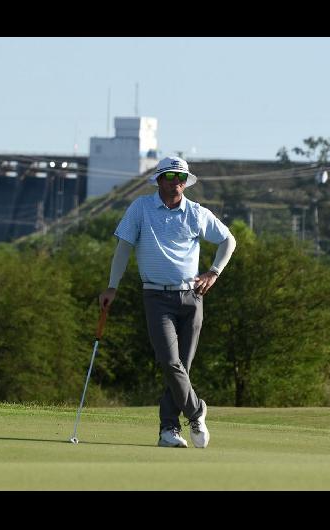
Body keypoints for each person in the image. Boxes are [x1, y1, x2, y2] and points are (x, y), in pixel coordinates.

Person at [99, 156, 236, 448]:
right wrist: (112, 286)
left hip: (192, 296)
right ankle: (197, 413)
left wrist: (214, 272)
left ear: (185, 182)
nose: (176, 182)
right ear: (159, 180)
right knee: (169, 362)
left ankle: (168, 430)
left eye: (181, 177)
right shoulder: (141, 208)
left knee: (181, 368)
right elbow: (123, 249)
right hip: (156, 296)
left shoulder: (197, 213)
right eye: (171, 176)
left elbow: (228, 241)